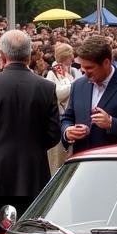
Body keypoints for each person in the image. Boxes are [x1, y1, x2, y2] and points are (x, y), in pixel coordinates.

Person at [0, 30, 61, 234]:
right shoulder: (45, 87)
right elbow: (54, 133)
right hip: (34, 174)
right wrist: (34, 148)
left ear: (1, 56)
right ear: (29, 56)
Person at [61, 35, 117, 153]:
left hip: (113, 162)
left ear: (106, 62)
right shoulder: (78, 85)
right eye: (82, 68)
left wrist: (112, 123)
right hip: (82, 163)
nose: (85, 73)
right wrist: (67, 131)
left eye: (89, 68)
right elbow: (67, 118)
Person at [46, 42, 80, 170]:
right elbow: (58, 94)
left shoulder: (71, 71)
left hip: (71, 117)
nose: (72, 58)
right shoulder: (52, 73)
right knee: (58, 159)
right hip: (58, 119)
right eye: (70, 55)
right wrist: (74, 84)